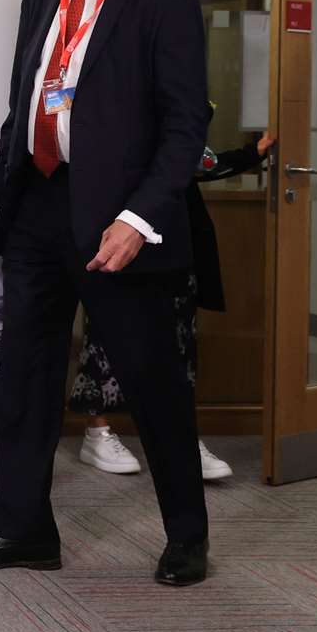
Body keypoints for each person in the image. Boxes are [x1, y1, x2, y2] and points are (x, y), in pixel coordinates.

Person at [0, 0, 212, 587]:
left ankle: (187, 537)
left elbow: (183, 127)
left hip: (118, 224)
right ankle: (23, 530)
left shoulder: (166, 0)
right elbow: (23, 109)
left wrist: (138, 219)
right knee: (25, 377)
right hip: (35, 209)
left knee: (153, 382)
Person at [76, 131, 276, 481]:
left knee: (179, 337)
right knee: (107, 330)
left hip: (174, 227)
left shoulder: (175, 101)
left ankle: (182, 439)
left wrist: (252, 152)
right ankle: (97, 432)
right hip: (111, 219)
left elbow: (196, 160)